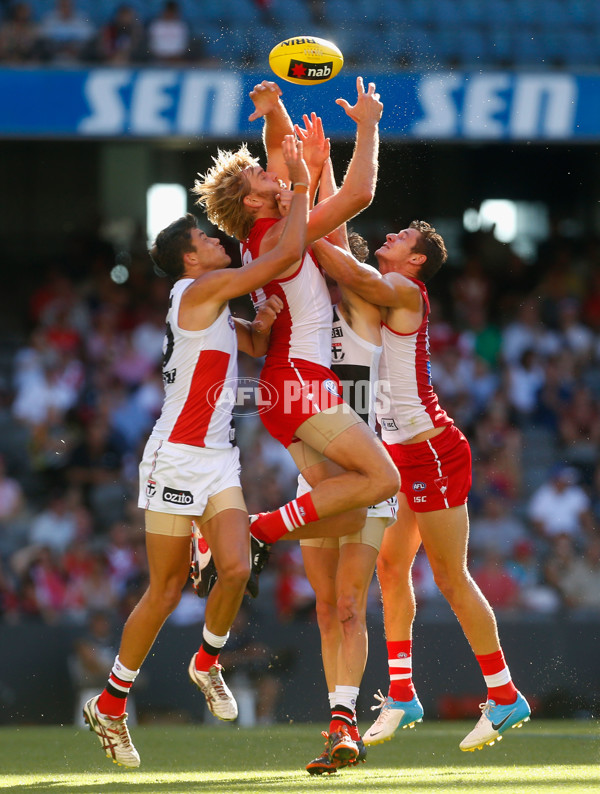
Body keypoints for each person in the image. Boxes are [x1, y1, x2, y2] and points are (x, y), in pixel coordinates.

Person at [82, 135, 311, 769]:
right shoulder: (196, 293)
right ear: (189, 259)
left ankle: (206, 661)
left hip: (217, 454)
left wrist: (260, 329)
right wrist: (299, 192)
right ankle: (110, 703)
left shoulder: (208, 302)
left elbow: (253, 347)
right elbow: (288, 251)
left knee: (236, 568)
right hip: (177, 455)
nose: (219, 240)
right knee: (161, 591)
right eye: (208, 240)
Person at [313, 221, 531, 753]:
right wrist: (313, 190)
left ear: (415, 261)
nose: (391, 235)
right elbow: (343, 258)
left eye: (403, 237)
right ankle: (404, 693)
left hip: (433, 451)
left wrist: (296, 218)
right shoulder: (385, 289)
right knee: (390, 568)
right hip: (398, 453)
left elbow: (340, 264)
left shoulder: (406, 289)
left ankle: (504, 695)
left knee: (450, 577)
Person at [192, 79, 398, 582]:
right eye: (262, 177)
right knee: (383, 479)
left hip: (285, 392)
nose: (273, 174)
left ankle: (235, 534)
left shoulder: (263, 232)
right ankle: (253, 532)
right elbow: (360, 194)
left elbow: (280, 158)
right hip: (301, 382)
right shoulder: (276, 233)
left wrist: (274, 111)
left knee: (348, 513)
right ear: (253, 203)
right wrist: (369, 126)